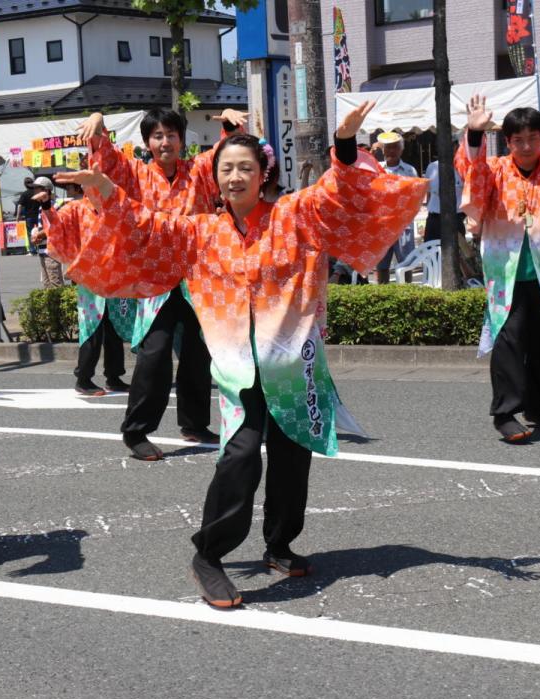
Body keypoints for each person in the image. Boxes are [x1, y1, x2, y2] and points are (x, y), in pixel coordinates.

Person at [57, 101, 427, 607]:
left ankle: (279, 544)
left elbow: (340, 192)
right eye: (226, 168)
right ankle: (208, 555)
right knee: (241, 453)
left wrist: (343, 144)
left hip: (292, 361)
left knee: (294, 455)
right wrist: (103, 190)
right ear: (215, 177)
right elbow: (146, 226)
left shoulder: (295, 215)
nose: (235, 177)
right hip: (238, 368)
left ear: (263, 174)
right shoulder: (201, 231)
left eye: (245, 168)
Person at [76, 107, 244, 460]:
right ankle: (136, 432)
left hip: (197, 273)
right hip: (154, 279)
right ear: (147, 143)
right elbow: (108, 168)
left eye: (171, 135)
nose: (164, 142)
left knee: (199, 354)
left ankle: (194, 423)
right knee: (155, 354)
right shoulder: (136, 173)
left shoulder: (198, 170)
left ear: (182, 139)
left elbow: (226, 158)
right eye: (157, 136)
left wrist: (229, 126)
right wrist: (97, 128)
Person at [457, 84, 540, 443]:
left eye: (533, 138)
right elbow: (470, 171)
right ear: (508, 142)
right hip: (507, 272)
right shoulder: (496, 169)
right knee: (510, 339)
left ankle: (536, 406)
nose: (527, 146)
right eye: (518, 140)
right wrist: (475, 132)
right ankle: (504, 412)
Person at [42, 183, 132, 396]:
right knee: (92, 327)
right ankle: (83, 378)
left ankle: (114, 376)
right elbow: (56, 226)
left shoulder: (116, 208)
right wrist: (46, 206)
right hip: (90, 278)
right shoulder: (76, 209)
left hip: (114, 276)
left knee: (114, 328)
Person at [373, 131, 420, 283]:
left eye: (395, 147)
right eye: (388, 147)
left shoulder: (409, 170)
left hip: (402, 225)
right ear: (383, 149)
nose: (392, 151)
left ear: (401, 149)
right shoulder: (376, 170)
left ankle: (408, 294)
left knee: (406, 263)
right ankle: (383, 296)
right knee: (382, 265)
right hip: (381, 226)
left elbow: (416, 197)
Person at [423, 148, 465, 242]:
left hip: (456, 218)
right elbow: (428, 193)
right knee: (431, 252)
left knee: (458, 253)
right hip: (434, 219)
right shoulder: (432, 167)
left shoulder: (462, 168)